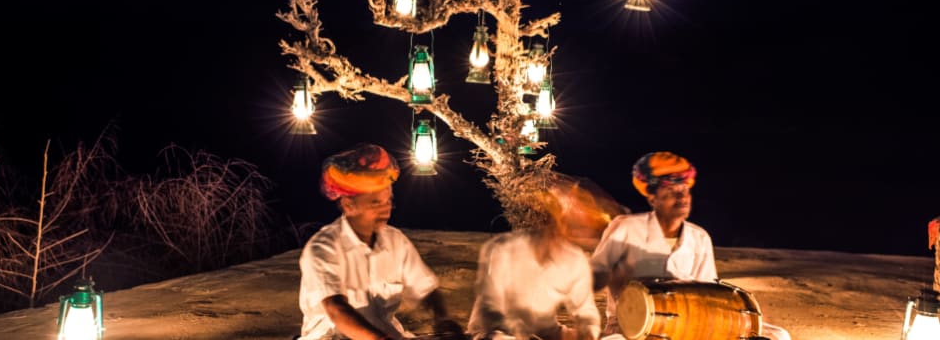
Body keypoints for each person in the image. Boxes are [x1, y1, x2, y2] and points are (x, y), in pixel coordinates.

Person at [589, 151, 790, 340]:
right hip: (632, 328)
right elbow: (593, 277)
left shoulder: (699, 237)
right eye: (671, 191)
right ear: (652, 197)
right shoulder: (625, 228)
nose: (682, 197)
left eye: (685, 190)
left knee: (778, 335)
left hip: (688, 326)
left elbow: (709, 291)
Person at [297, 143, 462, 340]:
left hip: (386, 333)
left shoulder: (395, 241)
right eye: (375, 202)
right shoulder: (323, 248)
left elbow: (425, 289)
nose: (386, 209)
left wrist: (442, 319)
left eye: (389, 201)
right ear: (348, 205)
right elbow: (336, 310)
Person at [467, 176, 603, 340]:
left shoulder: (575, 259)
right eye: (574, 224)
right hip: (496, 333)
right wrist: (523, 335)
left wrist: (587, 331)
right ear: (557, 222)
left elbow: (585, 310)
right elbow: (491, 311)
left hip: (547, 334)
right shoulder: (502, 249)